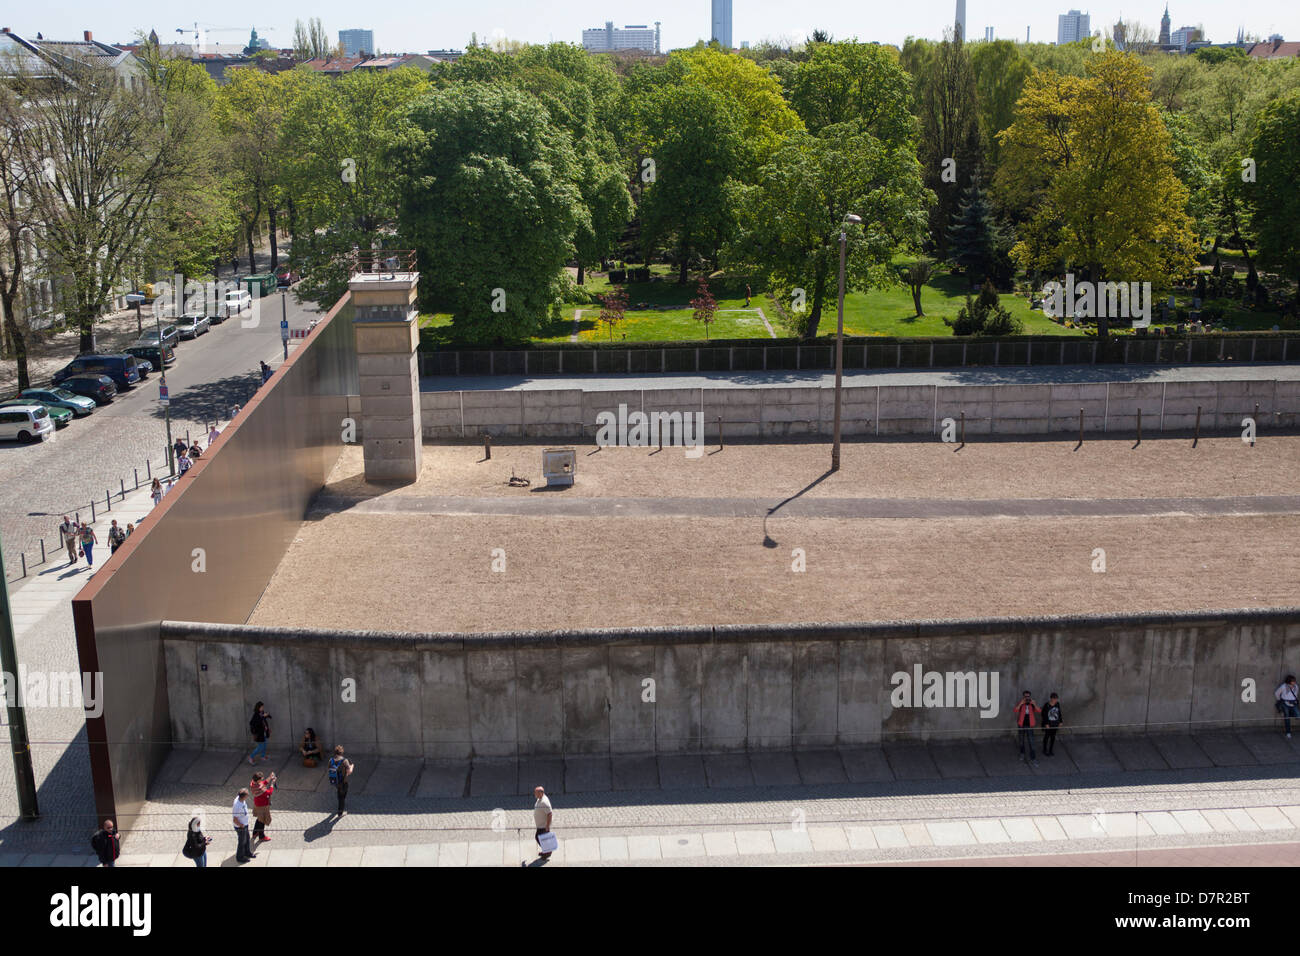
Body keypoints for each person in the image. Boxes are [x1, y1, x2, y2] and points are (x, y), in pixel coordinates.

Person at [1014, 691, 1040, 766]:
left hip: (1030, 725)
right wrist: (1021, 703)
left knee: (1031, 742)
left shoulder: (1032, 704)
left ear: (1030, 696)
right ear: (1023, 697)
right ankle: (1022, 753)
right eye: (1025, 696)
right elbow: (1015, 710)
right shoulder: (1021, 704)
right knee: (1021, 740)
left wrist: (1034, 704)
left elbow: (1039, 710)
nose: (1027, 698)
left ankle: (1033, 758)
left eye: (1028, 696)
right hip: (1021, 725)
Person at [250, 770, 276, 843]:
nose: (262, 780)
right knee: (262, 820)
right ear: (258, 780)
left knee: (259, 818)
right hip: (262, 805)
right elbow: (269, 792)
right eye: (261, 779)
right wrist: (272, 784)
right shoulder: (260, 788)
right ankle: (262, 836)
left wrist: (270, 777)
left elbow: (263, 783)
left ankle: (255, 833)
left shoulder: (253, 783)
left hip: (257, 803)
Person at [328, 745, 353, 817]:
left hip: (335, 781)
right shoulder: (344, 761)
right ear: (342, 753)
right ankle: (340, 812)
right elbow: (349, 771)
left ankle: (341, 802)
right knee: (342, 795)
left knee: (340, 792)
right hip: (343, 781)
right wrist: (352, 766)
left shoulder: (331, 760)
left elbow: (329, 769)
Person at [232, 789, 255, 863]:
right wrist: (241, 825)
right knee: (242, 842)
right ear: (244, 796)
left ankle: (247, 852)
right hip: (240, 827)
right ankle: (240, 857)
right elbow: (235, 819)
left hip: (245, 824)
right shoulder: (237, 806)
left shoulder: (241, 799)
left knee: (247, 839)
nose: (248, 796)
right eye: (247, 795)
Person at [533, 786, 554, 859]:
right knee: (543, 839)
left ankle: (547, 852)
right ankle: (546, 851)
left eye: (536, 793)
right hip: (540, 824)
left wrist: (547, 826)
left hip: (543, 825)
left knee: (539, 838)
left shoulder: (544, 802)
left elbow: (550, 814)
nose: (534, 794)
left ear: (541, 793)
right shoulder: (540, 798)